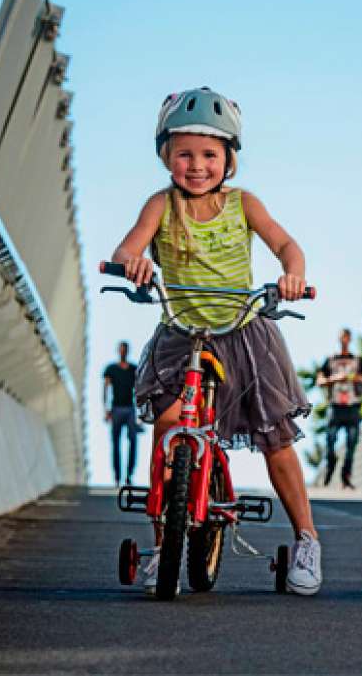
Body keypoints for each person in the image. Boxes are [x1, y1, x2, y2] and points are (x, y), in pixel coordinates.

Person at [110, 87, 322, 597]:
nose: (197, 165)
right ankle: (164, 541)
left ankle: (307, 540)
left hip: (243, 334)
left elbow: (285, 243)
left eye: (209, 154)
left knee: (276, 439)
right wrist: (132, 265)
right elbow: (127, 247)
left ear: (229, 159)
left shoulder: (244, 203)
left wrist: (292, 273)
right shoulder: (160, 205)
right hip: (181, 333)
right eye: (184, 153)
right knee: (167, 429)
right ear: (165, 156)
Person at [317, 329, 362, 489]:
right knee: (330, 442)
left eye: (346, 338)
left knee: (351, 444)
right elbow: (320, 380)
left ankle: (346, 476)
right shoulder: (330, 360)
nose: (344, 341)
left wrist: (355, 379)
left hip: (352, 406)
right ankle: (331, 464)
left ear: (350, 339)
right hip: (335, 406)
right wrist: (335, 379)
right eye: (342, 338)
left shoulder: (358, 360)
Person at [103, 341, 141, 486]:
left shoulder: (134, 369)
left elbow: (138, 390)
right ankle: (117, 476)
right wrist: (106, 409)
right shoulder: (111, 369)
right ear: (118, 351)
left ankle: (129, 475)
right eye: (121, 350)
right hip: (116, 409)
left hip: (130, 409)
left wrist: (140, 412)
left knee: (133, 441)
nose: (123, 352)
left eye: (125, 350)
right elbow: (105, 389)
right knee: (116, 444)